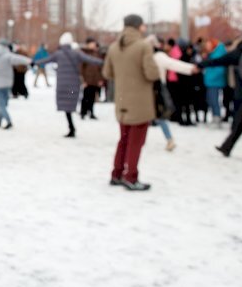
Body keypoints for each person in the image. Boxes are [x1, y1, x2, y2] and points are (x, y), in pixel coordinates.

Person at [102, 15, 160, 191]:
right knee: (136, 142)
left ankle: (117, 173)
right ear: (138, 26)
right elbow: (152, 74)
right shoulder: (143, 46)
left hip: (122, 100)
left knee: (124, 139)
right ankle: (131, 177)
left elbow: (107, 73)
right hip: (140, 101)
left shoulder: (114, 46)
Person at [198, 32, 242, 157]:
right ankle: (226, 147)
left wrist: (200, 65)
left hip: (241, 94)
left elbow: (218, 61)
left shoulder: (238, 53)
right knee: (240, 123)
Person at [34, 32, 102, 138]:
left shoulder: (58, 54)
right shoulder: (76, 53)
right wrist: (104, 62)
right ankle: (73, 126)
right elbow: (90, 60)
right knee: (72, 103)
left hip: (62, 85)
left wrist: (34, 62)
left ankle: (71, 126)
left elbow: (46, 60)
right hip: (73, 84)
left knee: (66, 106)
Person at [146, 35, 197, 151]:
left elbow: (174, 64)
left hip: (154, 89)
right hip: (154, 89)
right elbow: (174, 64)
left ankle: (168, 139)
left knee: (154, 115)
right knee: (157, 115)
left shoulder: (156, 57)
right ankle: (168, 139)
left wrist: (190, 68)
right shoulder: (154, 56)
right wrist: (191, 68)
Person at [0, 39, 31, 128]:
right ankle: (0, 120)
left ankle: (7, 121)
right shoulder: (7, 55)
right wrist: (30, 61)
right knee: (3, 104)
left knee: (1, 104)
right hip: (7, 83)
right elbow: (18, 59)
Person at [204, 39, 228, 127]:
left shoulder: (218, 54)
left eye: (208, 45)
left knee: (214, 100)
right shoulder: (213, 54)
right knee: (211, 100)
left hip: (214, 81)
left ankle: (217, 118)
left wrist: (210, 77)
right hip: (211, 81)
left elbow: (220, 69)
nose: (207, 47)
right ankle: (215, 116)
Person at [80, 38, 104, 120]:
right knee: (85, 97)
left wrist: (100, 79)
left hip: (95, 80)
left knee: (92, 97)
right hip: (87, 80)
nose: (94, 45)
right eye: (92, 43)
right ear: (88, 44)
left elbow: (100, 68)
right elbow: (81, 68)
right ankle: (83, 112)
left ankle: (91, 112)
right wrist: (83, 80)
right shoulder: (84, 53)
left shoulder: (97, 54)